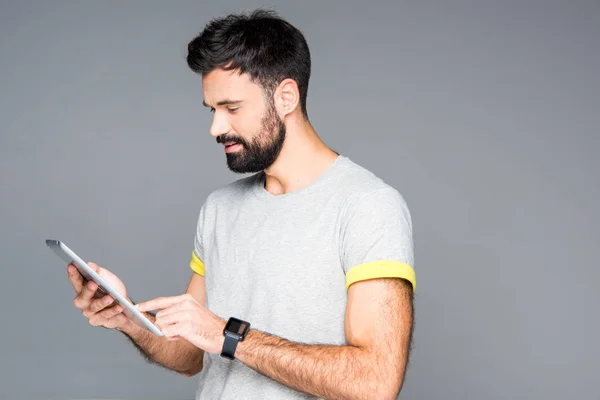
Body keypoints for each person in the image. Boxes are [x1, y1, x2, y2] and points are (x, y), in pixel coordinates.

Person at [67, 8, 416, 400]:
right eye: (212, 110)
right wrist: (128, 315)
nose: (216, 128)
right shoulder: (220, 209)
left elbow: (375, 382)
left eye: (231, 108)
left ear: (286, 96)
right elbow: (191, 354)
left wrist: (231, 336)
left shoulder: (368, 206)